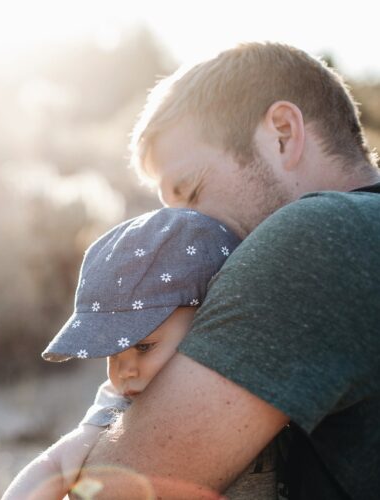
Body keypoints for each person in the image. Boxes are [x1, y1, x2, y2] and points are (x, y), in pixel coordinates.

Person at [74, 42, 380, 499]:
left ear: (281, 133)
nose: (183, 232)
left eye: (191, 192)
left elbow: (108, 494)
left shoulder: (317, 236)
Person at [2, 208, 248, 499]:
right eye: (112, 353)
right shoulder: (120, 404)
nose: (124, 371)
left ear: (208, 319)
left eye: (144, 347)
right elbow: (54, 464)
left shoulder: (249, 378)